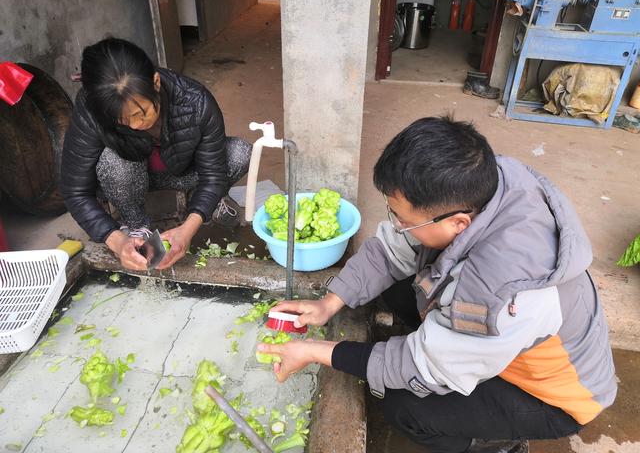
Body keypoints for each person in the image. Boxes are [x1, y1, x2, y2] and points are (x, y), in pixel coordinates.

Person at [257, 117, 617, 453]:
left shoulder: (502, 295)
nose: (395, 225)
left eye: (402, 219)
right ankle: (443, 340)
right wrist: (330, 303)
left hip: (548, 395)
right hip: (498, 341)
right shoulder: (481, 184)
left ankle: (497, 442)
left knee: (403, 405)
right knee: (394, 282)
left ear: (458, 223)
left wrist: (314, 352)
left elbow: (425, 367)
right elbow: (389, 250)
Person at [61, 38, 251, 270]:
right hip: (128, 177)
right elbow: (75, 191)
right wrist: (118, 241)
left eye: (142, 113)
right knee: (113, 162)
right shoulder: (92, 109)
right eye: (122, 120)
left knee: (239, 153)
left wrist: (188, 230)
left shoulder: (196, 101)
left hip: (183, 171)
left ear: (156, 83)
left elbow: (213, 175)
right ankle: (137, 223)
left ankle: (198, 203)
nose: (135, 125)